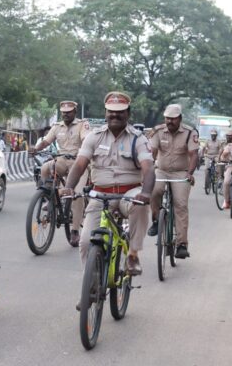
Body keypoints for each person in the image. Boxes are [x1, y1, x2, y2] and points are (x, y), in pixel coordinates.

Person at [60, 91, 154, 281]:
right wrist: (69, 187)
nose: (115, 116)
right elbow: (79, 164)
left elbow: (148, 169)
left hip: (130, 193)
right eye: (111, 112)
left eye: (120, 112)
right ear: (105, 113)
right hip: (100, 195)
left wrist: (145, 193)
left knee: (141, 206)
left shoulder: (139, 139)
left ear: (128, 113)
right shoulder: (94, 137)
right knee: (86, 242)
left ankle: (133, 254)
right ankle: (91, 283)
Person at [29, 101, 90, 245]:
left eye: (69, 112)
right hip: (62, 160)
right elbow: (46, 141)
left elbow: (86, 139)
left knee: (77, 193)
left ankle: (75, 230)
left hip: (78, 162)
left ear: (75, 112)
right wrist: (36, 148)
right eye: (63, 112)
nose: (66, 114)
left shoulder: (82, 124)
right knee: (45, 168)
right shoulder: (57, 126)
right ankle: (50, 198)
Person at [147, 104, 199, 259]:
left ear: (180, 119)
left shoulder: (190, 133)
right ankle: (156, 220)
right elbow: (153, 152)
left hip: (181, 172)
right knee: (154, 190)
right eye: (167, 118)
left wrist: (190, 173)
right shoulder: (157, 131)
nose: (170, 121)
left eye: (173, 118)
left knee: (181, 205)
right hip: (161, 170)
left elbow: (193, 155)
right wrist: (147, 171)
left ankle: (182, 244)